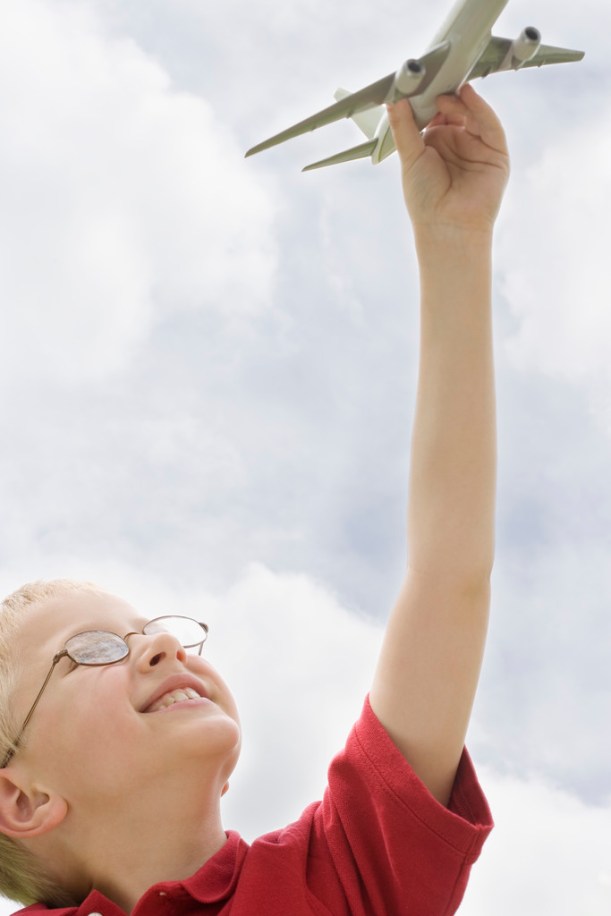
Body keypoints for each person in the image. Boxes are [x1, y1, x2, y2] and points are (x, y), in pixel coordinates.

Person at [0, 83, 510, 915]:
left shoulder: (341, 876)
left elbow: (447, 574)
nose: (162, 646)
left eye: (152, 629)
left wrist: (453, 238)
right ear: (21, 797)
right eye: (91, 650)